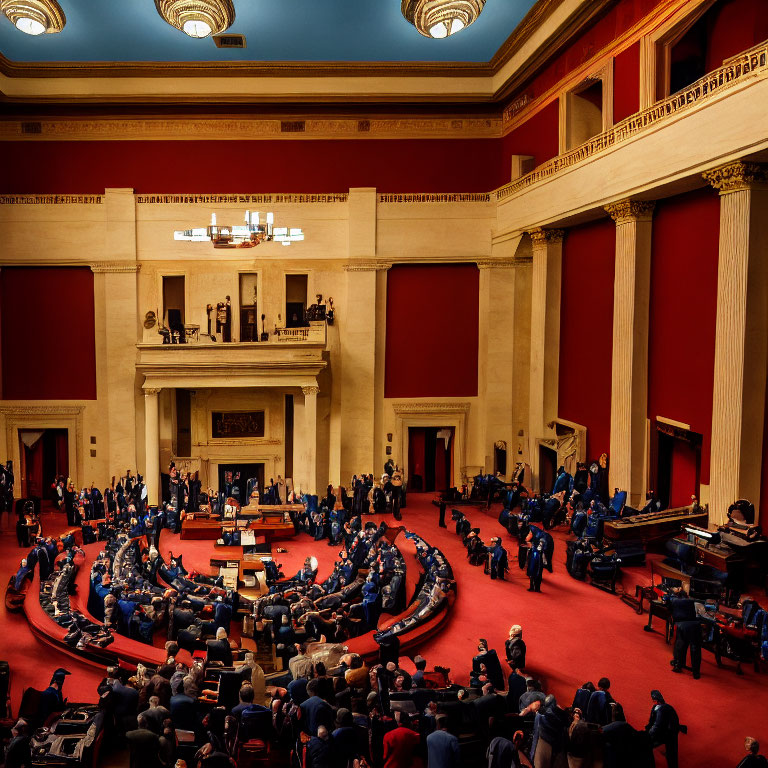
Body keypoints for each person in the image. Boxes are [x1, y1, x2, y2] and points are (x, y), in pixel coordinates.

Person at [646, 690, 684, 768]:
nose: (654, 702)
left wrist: (648, 734)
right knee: (672, 751)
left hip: (668, 733)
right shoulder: (659, 707)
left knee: (671, 753)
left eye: (654, 700)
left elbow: (657, 726)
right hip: (668, 731)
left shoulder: (660, 710)